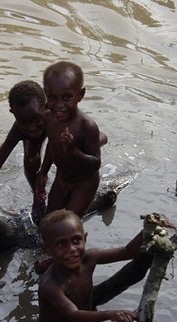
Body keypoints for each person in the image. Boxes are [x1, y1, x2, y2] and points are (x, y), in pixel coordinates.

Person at [36, 61, 105, 218]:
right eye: (52, 98)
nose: (59, 105)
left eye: (67, 97)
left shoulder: (86, 126)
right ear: (46, 95)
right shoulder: (48, 117)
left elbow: (95, 163)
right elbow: (52, 146)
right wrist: (43, 172)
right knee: (49, 223)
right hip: (62, 179)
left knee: (68, 223)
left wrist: (73, 151)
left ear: (80, 95)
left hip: (84, 183)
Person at [0, 80, 48, 221]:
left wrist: (44, 173)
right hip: (30, 137)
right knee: (31, 162)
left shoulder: (54, 118)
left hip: (55, 134)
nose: (32, 127)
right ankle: (37, 196)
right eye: (24, 122)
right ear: (13, 113)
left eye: (36, 119)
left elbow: (56, 150)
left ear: (47, 107)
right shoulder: (20, 129)